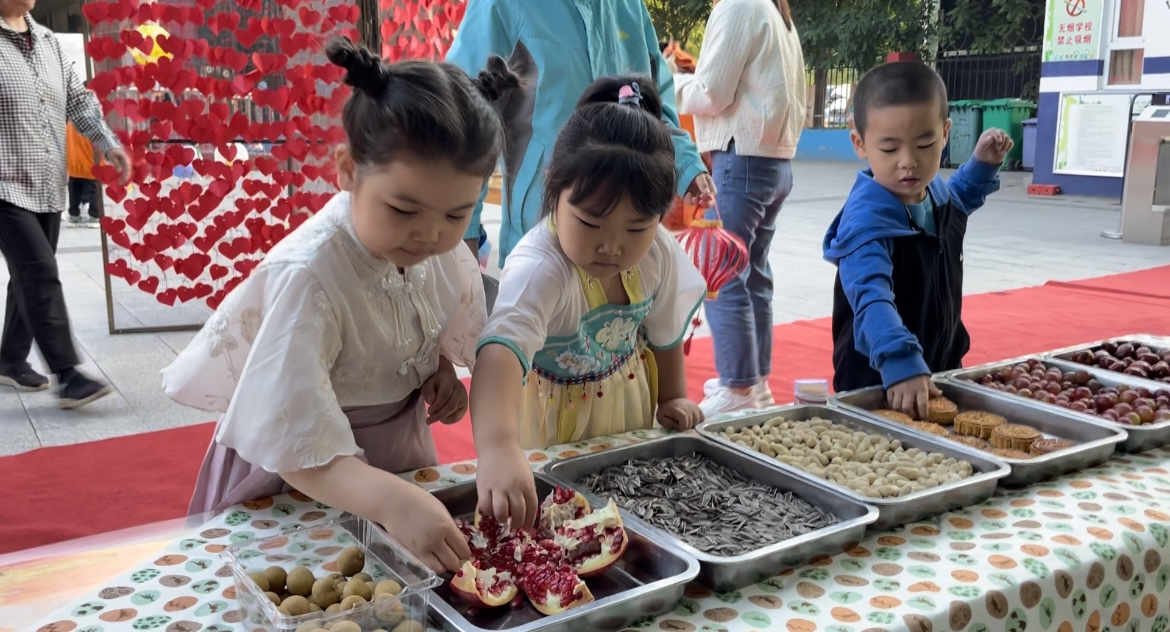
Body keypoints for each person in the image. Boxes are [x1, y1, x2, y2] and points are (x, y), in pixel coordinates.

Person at [160, 37, 517, 574]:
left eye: (457, 216)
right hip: (308, 469)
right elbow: (295, 439)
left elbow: (425, 320)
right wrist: (392, 502)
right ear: (348, 170)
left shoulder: (434, 248)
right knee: (314, 588)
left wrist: (437, 368)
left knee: (398, 589)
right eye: (404, 208)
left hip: (394, 451)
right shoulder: (310, 275)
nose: (429, 234)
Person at [470, 77, 708, 527]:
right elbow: (500, 353)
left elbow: (664, 331)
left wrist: (673, 397)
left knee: (629, 516)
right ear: (553, 189)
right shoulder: (542, 267)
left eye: (637, 228)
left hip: (627, 405)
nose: (612, 247)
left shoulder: (657, 252)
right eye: (591, 223)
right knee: (557, 526)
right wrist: (498, 446)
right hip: (549, 421)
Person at [444, 0, 715, 270]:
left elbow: (654, 102)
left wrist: (687, 165)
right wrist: (463, 231)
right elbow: (465, 116)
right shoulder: (503, 6)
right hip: (541, 238)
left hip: (625, 243)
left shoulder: (630, 8)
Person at [822, 62, 1014, 419]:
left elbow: (955, 204)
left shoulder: (933, 193)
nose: (908, 162)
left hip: (936, 363)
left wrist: (982, 167)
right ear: (860, 143)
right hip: (879, 378)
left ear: (945, 134)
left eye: (924, 144)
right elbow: (871, 299)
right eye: (890, 150)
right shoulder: (866, 223)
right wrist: (901, 362)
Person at [673, 0, 806, 415]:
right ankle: (753, 382)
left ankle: (738, 386)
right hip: (774, 161)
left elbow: (711, 94)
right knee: (754, 274)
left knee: (722, 272)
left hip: (742, 158)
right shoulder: (776, 13)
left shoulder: (738, 4)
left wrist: (667, 82)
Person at [0, 1, 131, 406]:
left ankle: (9, 360)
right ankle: (68, 373)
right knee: (40, 271)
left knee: (30, 271)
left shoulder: (48, 41)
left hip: (46, 182)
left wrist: (107, 144)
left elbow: (78, 98)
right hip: (3, 183)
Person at [66, 122, 100, 227]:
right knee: (93, 191)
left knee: (74, 192)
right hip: (90, 165)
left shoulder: (70, 125)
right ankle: (94, 217)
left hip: (74, 165)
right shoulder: (93, 123)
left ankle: (73, 216)